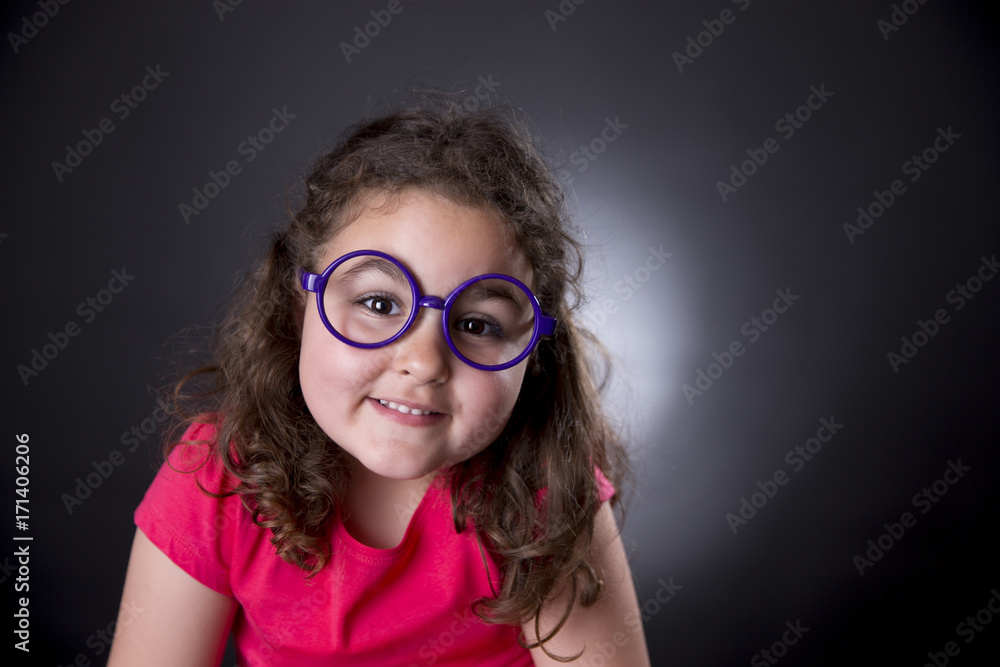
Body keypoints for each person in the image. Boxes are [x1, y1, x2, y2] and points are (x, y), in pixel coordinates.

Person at [107, 91, 650, 666]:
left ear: (532, 355)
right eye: (380, 303)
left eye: (476, 323)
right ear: (300, 306)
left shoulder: (547, 496)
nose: (424, 362)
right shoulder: (217, 482)